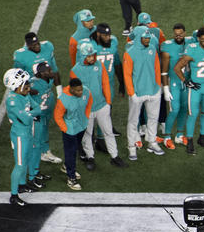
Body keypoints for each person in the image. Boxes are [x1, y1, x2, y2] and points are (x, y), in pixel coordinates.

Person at [72, 41, 127, 169]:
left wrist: (108, 102)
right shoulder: (75, 71)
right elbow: (75, 93)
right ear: (82, 56)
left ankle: (115, 156)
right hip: (87, 109)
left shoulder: (99, 65)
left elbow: (105, 83)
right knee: (88, 134)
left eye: (93, 55)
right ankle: (90, 157)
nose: (92, 58)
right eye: (89, 56)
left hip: (102, 105)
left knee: (108, 132)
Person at [174, 26, 204, 154]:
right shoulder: (192, 49)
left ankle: (202, 138)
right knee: (193, 114)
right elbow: (177, 68)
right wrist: (186, 81)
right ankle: (189, 142)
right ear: (198, 39)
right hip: (196, 88)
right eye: (203, 41)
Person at [123, 26, 164, 159]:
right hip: (137, 93)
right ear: (139, 38)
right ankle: (131, 146)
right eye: (145, 37)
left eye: (148, 37)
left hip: (153, 90)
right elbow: (127, 75)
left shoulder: (152, 49)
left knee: (153, 118)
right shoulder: (129, 53)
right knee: (133, 121)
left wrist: (158, 87)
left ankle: (151, 141)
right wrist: (132, 93)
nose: (148, 39)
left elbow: (157, 68)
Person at [2, 68, 36, 207]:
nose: (28, 85)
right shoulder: (13, 100)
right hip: (19, 135)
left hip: (27, 132)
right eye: (24, 82)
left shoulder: (23, 95)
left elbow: (37, 107)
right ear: (16, 85)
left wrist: (32, 113)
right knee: (20, 164)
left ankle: (22, 185)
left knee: (26, 160)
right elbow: (28, 118)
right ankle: (14, 195)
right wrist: (33, 114)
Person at [53, 77, 91, 191]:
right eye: (78, 91)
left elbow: (89, 103)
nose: (81, 92)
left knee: (76, 147)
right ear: (72, 90)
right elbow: (57, 116)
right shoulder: (63, 100)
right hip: (70, 129)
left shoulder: (86, 91)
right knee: (71, 151)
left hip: (81, 125)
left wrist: (86, 116)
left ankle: (66, 166)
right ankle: (71, 177)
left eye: (81, 90)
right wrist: (65, 129)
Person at [159, 23, 188, 149]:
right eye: (176, 34)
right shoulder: (167, 47)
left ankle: (180, 135)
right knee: (174, 109)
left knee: (184, 108)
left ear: (185, 33)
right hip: (173, 82)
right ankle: (166, 136)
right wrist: (165, 88)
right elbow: (164, 71)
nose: (178, 36)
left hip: (185, 81)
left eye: (180, 33)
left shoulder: (190, 43)